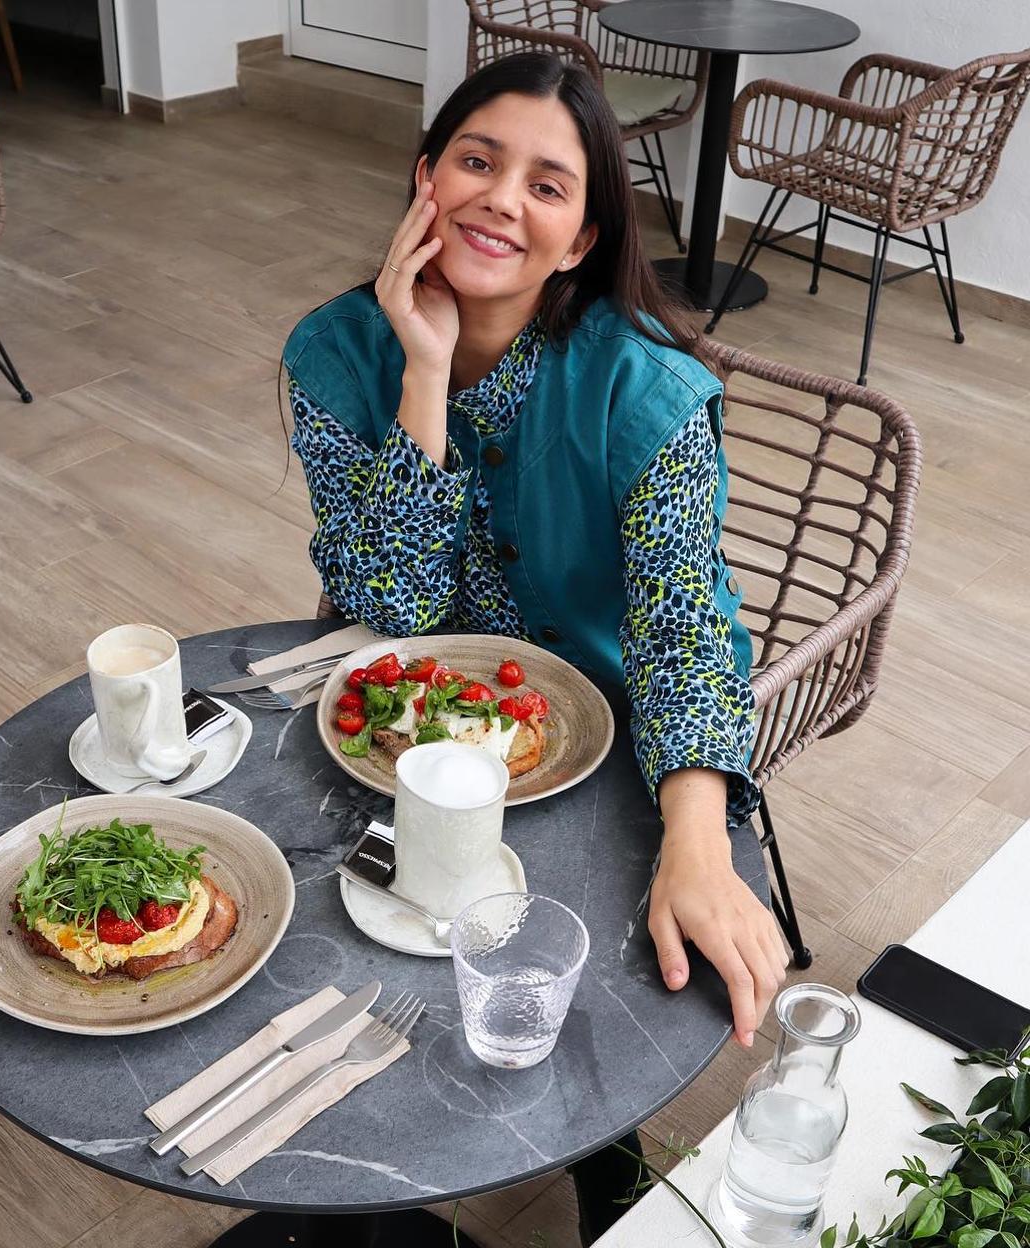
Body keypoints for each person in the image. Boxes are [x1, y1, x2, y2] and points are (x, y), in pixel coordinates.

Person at [283, 53, 790, 1242]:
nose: (502, 197)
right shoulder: (332, 353)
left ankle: (601, 1154)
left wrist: (699, 841)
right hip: (397, 725)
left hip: (596, 739)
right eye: (475, 160)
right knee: (341, 916)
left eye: (548, 184)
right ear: (424, 179)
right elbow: (385, 604)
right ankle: (363, 1158)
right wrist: (420, 368)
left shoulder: (646, 393)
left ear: (578, 239)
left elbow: (680, 626)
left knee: (588, 948)